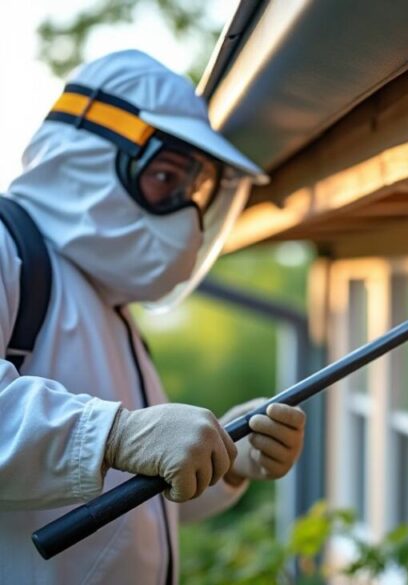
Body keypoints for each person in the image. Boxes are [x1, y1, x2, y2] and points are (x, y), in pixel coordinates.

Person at [0, 50, 306, 584]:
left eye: (192, 189)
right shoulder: (9, 251)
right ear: (91, 156)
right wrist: (117, 434)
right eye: (166, 178)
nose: (186, 211)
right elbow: (106, 449)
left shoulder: (109, 309)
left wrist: (227, 456)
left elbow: (131, 505)